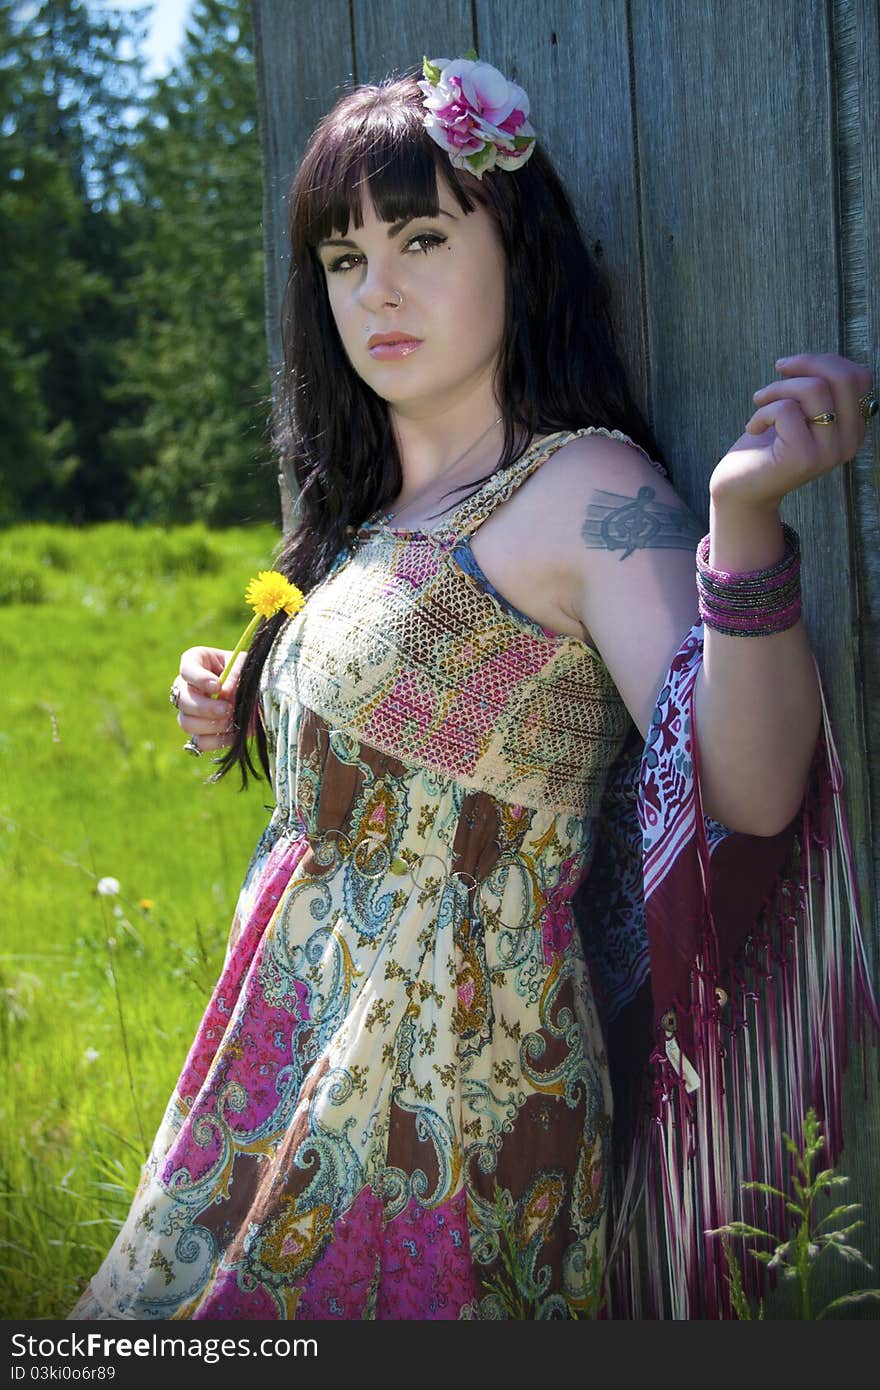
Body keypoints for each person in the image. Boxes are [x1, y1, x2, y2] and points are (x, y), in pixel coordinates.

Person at [71, 57, 878, 1321]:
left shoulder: (585, 490)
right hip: (279, 1055)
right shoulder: (366, 512)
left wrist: (744, 525)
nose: (375, 290)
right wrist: (256, 701)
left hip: (443, 1096)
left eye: (423, 238)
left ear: (520, 252)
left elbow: (756, 792)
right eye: (343, 260)